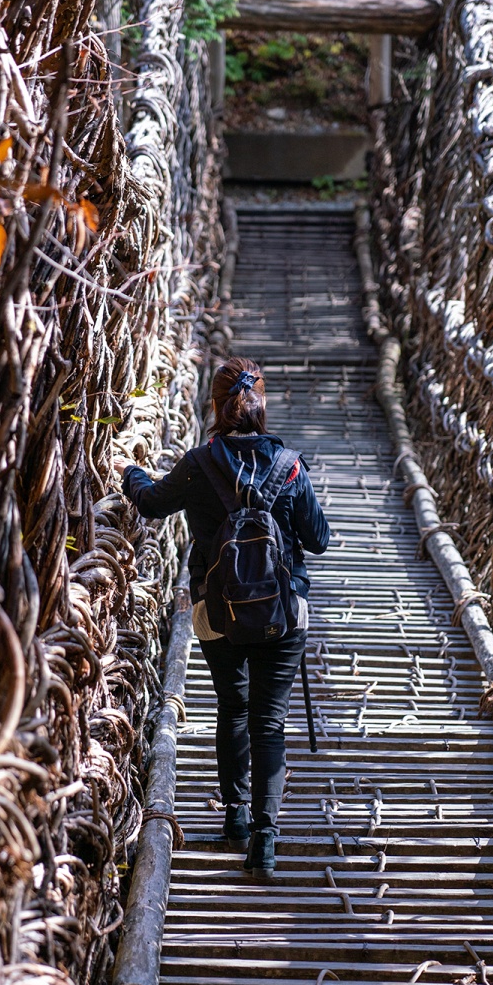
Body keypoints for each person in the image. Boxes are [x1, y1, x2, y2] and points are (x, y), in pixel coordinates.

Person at [113, 357, 331, 882]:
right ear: (261, 404)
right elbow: (320, 540)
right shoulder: (290, 466)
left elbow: (149, 503)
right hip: (283, 615)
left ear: (215, 406)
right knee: (269, 722)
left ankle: (234, 818)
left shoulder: (198, 463)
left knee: (232, 708)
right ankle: (265, 839)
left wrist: (129, 470)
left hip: (216, 611)